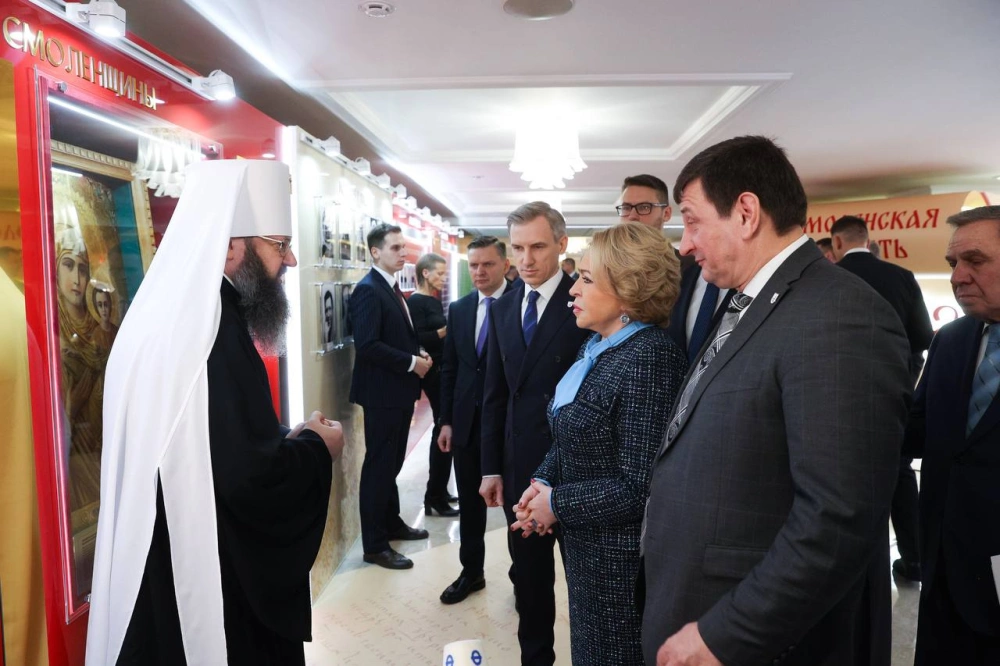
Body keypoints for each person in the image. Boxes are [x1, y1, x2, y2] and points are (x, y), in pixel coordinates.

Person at [640, 136, 911, 666]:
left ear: (746, 213)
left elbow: (837, 517)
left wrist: (727, 633)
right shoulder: (751, 301)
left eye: (692, 222)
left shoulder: (838, 314)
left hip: (749, 634)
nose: (685, 245)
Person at [87, 160, 346, 665]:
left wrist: (284, 439)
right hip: (207, 574)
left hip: (152, 561)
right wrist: (318, 448)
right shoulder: (211, 331)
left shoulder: (159, 317)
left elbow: (209, 443)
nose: (291, 260)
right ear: (230, 248)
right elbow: (248, 479)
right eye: (279, 245)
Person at [511, 223, 688, 665]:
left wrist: (557, 504)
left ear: (628, 290)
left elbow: (640, 487)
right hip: (587, 550)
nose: (573, 288)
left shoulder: (649, 357)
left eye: (587, 279)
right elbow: (570, 432)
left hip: (619, 563)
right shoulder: (597, 345)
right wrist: (541, 484)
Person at [480, 201, 590, 665]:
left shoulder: (586, 298)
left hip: (579, 469)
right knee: (529, 581)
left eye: (538, 247)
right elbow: (495, 393)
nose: (526, 259)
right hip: (521, 466)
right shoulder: (504, 305)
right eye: (518, 248)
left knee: (587, 588)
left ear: (561, 244)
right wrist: (491, 468)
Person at [907, 205, 1000, 665]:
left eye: (975, 260)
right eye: (952, 263)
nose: (957, 277)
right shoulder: (950, 340)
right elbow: (914, 433)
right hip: (944, 577)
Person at [831, 214, 934, 586]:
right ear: (867, 238)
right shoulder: (901, 276)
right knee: (899, 473)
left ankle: (852, 568)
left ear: (837, 242)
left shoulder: (828, 278)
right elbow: (923, 336)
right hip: (894, 396)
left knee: (841, 476)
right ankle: (915, 559)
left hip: (838, 397)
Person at [350, 223, 432, 570]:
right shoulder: (368, 290)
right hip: (381, 393)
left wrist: (417, 352)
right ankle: (374, 545)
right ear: (375, 252)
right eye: (395, 247)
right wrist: (412, 363)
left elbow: (396, 336)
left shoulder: (390, 287)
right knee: (379, 467)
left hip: (397, 391)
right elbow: (368, 345)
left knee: (391, 463)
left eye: (403, 247)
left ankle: (391, 522)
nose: (404, 253)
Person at [437, 236, 511, 604]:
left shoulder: (522, 303)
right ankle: (472, 572)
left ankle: (523, 577)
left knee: (516, 505)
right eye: (474, 265)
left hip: (509, 424)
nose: (479, 272)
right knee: (469, 503)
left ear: (505, 265)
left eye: (488, 264)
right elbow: (450, 367)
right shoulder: (460, 308)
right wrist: (446, 420)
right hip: (467, 421)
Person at [618, 173, 731, 365]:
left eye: (644, 207)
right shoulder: (603, 270)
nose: (633, 215)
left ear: (667, 213)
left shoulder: (693, 266)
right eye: (626, 207)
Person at [408, 252, 459, 517]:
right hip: (433, 372)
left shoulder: (433, 300)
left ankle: (439, 490)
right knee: (444, 428)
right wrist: (447, 330)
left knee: (445, 427)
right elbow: (417, 338)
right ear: (425, 273)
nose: (443, 278)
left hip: (442, 370)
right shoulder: (416, 302)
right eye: (439, 273)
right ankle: (434, 496)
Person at [91, 286, 119, 354]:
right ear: (96, 308)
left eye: (106, 304)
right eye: (100, 305)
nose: (103, 309)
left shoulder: (116, 331)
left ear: (110, 305)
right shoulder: (96, 335)